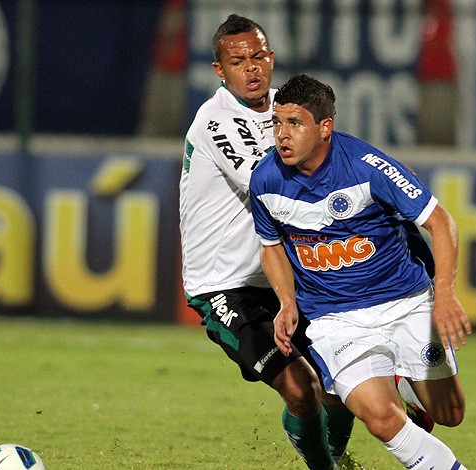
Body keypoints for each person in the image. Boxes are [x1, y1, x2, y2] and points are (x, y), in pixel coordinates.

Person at [249, 74, 472, 470]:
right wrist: (286, 302)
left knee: (449, 413)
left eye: (294, 123)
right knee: (383, 420)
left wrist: (446, 296)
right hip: (336, 320)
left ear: (324, 127)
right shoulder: (265, 179)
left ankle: (401, 380)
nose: (282, 134)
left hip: (407, 304)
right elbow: (271, 248)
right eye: (277, 123)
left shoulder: (369, 167)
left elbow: (441, 222)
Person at [178, 15, 358, 470]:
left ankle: (331, 453)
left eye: (258, 56)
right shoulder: (214, 121)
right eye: (238, 61)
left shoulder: (287, 108)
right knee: (300, 387)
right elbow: (272, 182)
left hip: (282, 277)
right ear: (220, 71)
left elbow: (333, 154)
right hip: (224, 285)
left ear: (271, 58)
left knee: (343, 382)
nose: (251, 68)